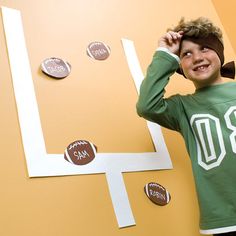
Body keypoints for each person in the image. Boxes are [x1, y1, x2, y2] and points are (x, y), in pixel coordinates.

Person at [136, 17, 236, 236]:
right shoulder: (183, 107)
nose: (197, 58)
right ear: (179, 66)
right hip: (225, 217)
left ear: (219, 54)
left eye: (205, 48)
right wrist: (165, 55)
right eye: (186, 54)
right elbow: (146, 106)